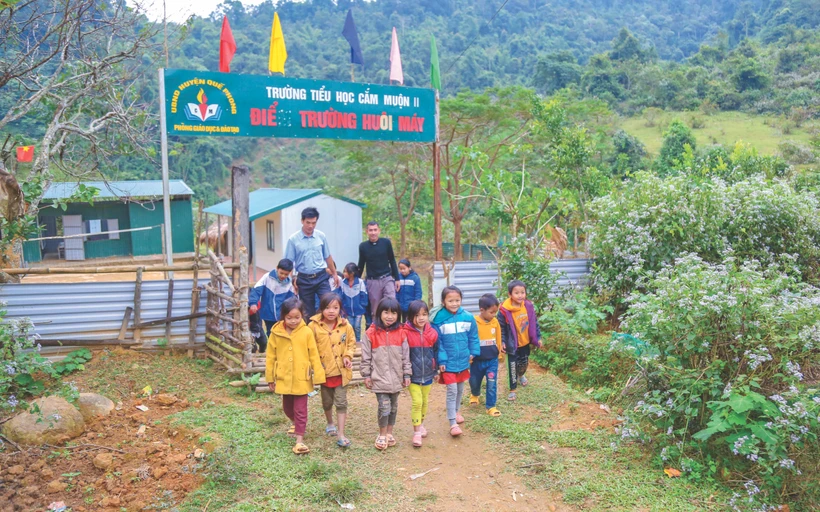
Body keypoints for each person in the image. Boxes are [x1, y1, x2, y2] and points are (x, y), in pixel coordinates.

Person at [265, 297, 326, 455]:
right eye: (289, 318)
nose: (293, 321)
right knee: (287, 408)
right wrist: (270, 377)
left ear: (303, 315)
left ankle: (300, 440)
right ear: (283, 316)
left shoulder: (306, 332)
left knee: (300, 409)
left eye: (297, 317)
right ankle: (294, 423)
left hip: (301, 377)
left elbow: (313, 354)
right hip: (284, 376)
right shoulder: (276, 332)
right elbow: (270, 356)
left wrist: (318, 375)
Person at [360, 297, 411, 450]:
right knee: (384, 407)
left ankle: (389, 433)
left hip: (396, 377)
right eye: (386, 312)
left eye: (394, 313)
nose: (390, 316)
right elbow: (366, 356)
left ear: (398, 314)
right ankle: (381, 434)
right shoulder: (371, 333)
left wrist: (406, 374)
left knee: (394, 407)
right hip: (379, 377)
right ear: (379, 313)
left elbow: (405, 355)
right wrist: (367, 375)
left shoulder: (402, 333)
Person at [309, 293, 356, 448]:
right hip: (324, 372)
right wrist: (315, 364)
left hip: (341, 372)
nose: (331, 311)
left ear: (340, 309)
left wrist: (348, 355)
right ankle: (330, 423)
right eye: (327, 307)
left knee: (341, 402)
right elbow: (310, 347)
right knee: (327, 402)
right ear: (321, 309)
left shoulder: (346, 326)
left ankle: (341, 434)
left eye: (335, 308)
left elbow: (351, 343)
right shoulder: (314, 327)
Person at [431, 286, 480, 437]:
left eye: (457, 300)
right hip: (449, 363)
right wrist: (442, 360)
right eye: (450, 300)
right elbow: (438, 343)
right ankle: (452, 422)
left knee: (460, 389)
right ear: (443, 302)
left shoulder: (467, 317)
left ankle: (457, 411)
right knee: (452, 391)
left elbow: (473, 337)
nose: (454, 303)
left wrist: (473, 352)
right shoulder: (438, 320)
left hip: (464, 361)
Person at [285, 207, 340, 319]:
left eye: (313, 223)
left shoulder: (321, 236)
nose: (310, 226)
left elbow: (328, 256)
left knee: (329, 302)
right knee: (307, 311)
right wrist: (292, 280)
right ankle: (311, 334)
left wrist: (334, 274)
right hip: (304, 279)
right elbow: (289, 262)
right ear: (302, 221)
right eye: (308, 223)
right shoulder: (293, 239)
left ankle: (329, 331)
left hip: (321, 276)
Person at [498, 280, 542, 402]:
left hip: (525, 342)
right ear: (509, 294)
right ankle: (512, 390)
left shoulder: (528, 306)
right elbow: (500, 328)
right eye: (516, 293)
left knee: (524, 363)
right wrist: (502, 342)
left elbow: (534, 323)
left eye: (522, 292)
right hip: (512, 344)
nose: (520, 295)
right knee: (512, 366)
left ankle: (521, 375)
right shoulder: (504, 310)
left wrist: (538, 337)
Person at [403, 299, 439, 448]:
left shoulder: (433, 333)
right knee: (417, 402)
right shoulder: (404, 333)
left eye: (424, 314)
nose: (421, 318)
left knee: (424, 401)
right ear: (410, 316)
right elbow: (403, 355)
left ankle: (421, 424)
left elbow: (436, 353)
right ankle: (416, 432)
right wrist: (405, 374)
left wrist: (436, 370)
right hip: (413, 376)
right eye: (417, 315)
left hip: (428, 374)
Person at [469, 293, 504, 417]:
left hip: (492, 361)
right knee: (474, 381)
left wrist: (499, 352)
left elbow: (498, 338)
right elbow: (470, 339)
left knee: (491, 383)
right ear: (482, 310)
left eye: (495, 312)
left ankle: (491, 406)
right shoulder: (473, 322)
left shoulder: (495, 322)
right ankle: (474, 394)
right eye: (491, 312)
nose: (494, 315)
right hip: (477, 361)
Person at [357, 221, 400, 319]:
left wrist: (397, 279)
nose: (373, 232)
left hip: (387, 278)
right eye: (370, 230)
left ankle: (392, 329)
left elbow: (392, 260)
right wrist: (356, 281)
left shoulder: (386, 243)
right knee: (376, 310)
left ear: (379, 231)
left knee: (391, 303)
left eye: (375, 230)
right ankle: (377, 331)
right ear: (366, 232)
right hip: (373, 281)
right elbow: (361, 264)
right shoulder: (363, 246)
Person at [249, 258, 295, 339]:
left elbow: (291, 301)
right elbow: (256, 290)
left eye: (286, 274)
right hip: (268, 313)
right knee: (271, 333)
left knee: (282, 334)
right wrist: (253, 303)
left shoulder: (289, 285)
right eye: (281, 273)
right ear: (277, 268)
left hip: (282, 315)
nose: (283, 276)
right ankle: (272, 350)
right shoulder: (267, 277)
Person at [335, 262, 369, 342]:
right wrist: (343, 307)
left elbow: (363, 294)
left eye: (346, 272)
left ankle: (357, 341)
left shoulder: (360, 282)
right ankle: (351, 341)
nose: (344, 273)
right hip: (348, 310)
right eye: (344, 271)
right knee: (350, 326)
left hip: (359, 310)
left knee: (357, 326)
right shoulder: (343, 282)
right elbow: (341, 295)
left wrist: (362, 306)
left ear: (352, 273)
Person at [396, 258, 422, 323]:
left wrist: (415, 304)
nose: (402, 271)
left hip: (411, 306)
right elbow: (396, 291)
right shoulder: (398, 278)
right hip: (400, 306)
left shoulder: (415, 278)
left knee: (410, 323)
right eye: (400, 269)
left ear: (409, 267)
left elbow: (418, 292)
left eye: (404, 268)